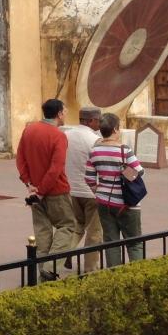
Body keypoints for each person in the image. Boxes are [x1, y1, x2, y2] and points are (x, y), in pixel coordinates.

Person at [15, 98, 77, 281]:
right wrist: (41, 190)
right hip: (55, 191)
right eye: (64, 111)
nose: (65, 114)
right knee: (67, 226)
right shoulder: (58, 136)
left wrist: (29, 184)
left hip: (34, 190)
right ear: (59, 114)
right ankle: (50, 267)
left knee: (42, 232)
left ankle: (42, 274)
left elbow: (20, 159)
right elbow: (56, 168)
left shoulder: (29, 130)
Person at [85, 112, 145, 266]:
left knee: (111, 243)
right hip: (127, 203)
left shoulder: (94, 151)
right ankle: (138, 273)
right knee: (134, 243)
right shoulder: (125, 150)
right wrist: (123, 172)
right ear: (115, 130)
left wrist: (99, 191)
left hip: (104, 203)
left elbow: (89, 178)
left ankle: (114, 275)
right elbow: (139, 172)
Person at [61, 106, 103, 273]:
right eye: (98, 120)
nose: (100, 124)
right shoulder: (95, 140)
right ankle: (90, 269)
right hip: (91, 192)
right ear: (91, 121)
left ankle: (63, 255)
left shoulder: (66, 135)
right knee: (94, 232)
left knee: (76, 226)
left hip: (71, 189)